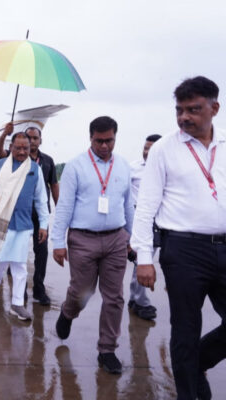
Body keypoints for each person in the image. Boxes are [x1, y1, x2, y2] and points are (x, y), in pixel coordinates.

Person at [132, 76, 226, 399]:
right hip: (183, 251)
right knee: (185, 332)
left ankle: (199, 362)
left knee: (194, 349)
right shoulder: (163, 149)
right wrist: (144, 258)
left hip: (224, 246)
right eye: (180, 110)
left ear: (214, 108)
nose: (184, 117)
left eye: (194, 109)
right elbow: (145, 207)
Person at [51, 116, 134, 375]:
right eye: (99, 141)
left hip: (116, 239)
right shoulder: (76, 166)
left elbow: (128, 203)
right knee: (81, 293)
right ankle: (67, 312)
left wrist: (133, 238)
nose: (104, 146)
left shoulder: (123, 166)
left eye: (109, 140)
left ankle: (107, 350)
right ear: (91, 138)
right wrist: (57, 241)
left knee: (114, 297)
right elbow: (64, 205)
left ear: (115, 138)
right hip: (83, 239)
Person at [0, 132, 49, 321]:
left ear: (30, 148)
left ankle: (17, 303)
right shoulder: (0, 166)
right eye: (17, 147)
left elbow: (42, 200)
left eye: (25, 148)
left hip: (23, 224)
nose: (21, 151)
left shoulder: (35, 169)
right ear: (11, 148)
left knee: (20, 266)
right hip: (1, 222)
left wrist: (44, 224)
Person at [127, 134, 162, 321]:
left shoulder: (167, 169)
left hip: (161, 221)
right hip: (138, 219)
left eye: (151, 149)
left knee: (148, 262)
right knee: (141, 259)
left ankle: (134, 298)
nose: (147, 152)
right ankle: (141, 301)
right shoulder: (133, 169)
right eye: (145, 148)